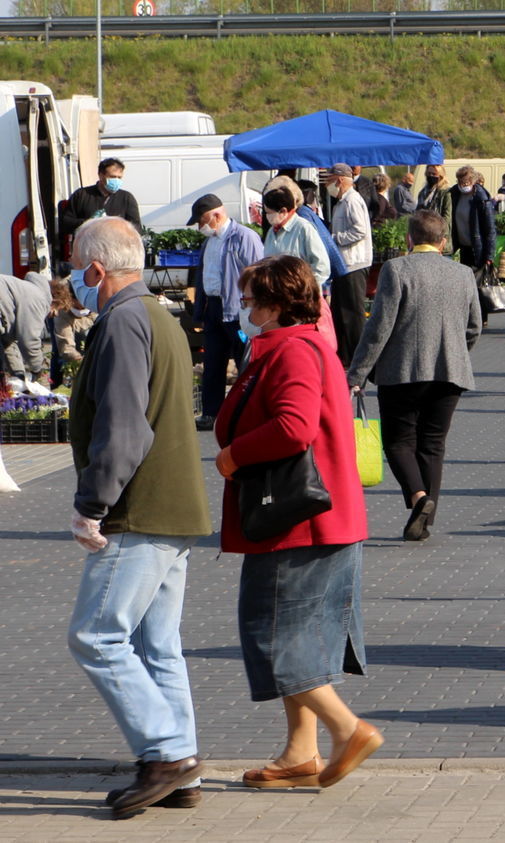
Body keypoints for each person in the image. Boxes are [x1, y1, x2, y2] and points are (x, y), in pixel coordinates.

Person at [213, 255, 382, 789]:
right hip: (311, 520)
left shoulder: (291, 350)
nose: (245, 309)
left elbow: (293, 427)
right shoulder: (304, 343)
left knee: (273, 638)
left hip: (297, 523)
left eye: (251, 300)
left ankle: (347, 728)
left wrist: (234, 456)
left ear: (277, 303)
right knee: (298, 640)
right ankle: (299, 753)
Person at [64, 217, 211, 818]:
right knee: (157, 646)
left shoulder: (123, 320)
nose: (74, 279)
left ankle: (169, 754)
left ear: (97, 270)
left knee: (96, 635)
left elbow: (123, 426)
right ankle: (180, 766)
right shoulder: (157, 315)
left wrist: (91, 503)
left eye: (77, 267)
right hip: (172, 505)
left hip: (138, 507)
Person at [347, 211, 480, 541]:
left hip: (401, 371)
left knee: (398, 442)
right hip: (450, 372)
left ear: (409, 239)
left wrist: (358, 373)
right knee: (433, 445)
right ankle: (425, 519)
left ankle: (419, 498)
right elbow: (475, 325)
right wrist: (455, 352)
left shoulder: (396, 269)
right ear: (443, 241)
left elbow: (379, 327)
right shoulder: (463, 274)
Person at [188, 193, 264, 431]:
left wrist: (254, 309)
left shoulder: (245, 237)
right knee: (212, 363)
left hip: (238, 310)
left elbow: (258, 274)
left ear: (216, 216)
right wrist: (200, 309)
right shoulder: (209, 241)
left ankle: (249, 412)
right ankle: (211, 413)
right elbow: (204, 276)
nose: (200, 227)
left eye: (201, 221)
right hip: (214, 307)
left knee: (246, 362)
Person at [324, 163, 373, 366]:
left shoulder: (352, 200)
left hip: (354, 262)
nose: (327, 185)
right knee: (342, 311)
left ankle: (359, 357)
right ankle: (345, 356)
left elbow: (359, 230)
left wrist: (335, 238)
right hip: (344, 263)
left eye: (329, 180)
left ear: (339, 180)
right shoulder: (341, 202)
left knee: (353, 313)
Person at [60, 158, 142, 243]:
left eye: (119, 177)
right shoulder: (81, 195)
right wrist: (90, 222)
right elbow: (66, 223)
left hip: (115, 248)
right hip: (87, 247)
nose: (116, 180)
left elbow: (136, 228)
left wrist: (114, 226)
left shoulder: (126, 198)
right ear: (101, 175)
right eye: (113, 177)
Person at [261, 187, 332, 286]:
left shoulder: (304, 228)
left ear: (283, 211)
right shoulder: (271, 232)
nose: (266, 216)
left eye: (269, 212)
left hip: (301, 296)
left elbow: (322, 267)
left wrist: (303, 287)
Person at [0, 271, 53, 386]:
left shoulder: (20, 289)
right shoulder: (38, 298)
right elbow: (29, 340)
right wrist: (37, 368)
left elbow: (7, 342)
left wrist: (18, 375)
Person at [416, 164, 454, 246]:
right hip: (424, 238)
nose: (431, 176)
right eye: (429, 173)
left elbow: (447, 217)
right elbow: (417, 213)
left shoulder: (446, 193)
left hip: (439, 238)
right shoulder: (423, 193)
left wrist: (440, 236)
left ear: (440, 176)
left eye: (434, 174)